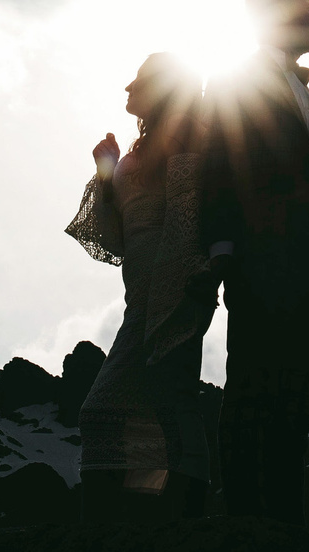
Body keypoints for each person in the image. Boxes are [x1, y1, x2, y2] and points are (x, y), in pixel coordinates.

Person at [200, 0, 309, 524]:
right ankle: (245, 522)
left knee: (296, 399)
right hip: (264, 262)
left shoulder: (300, 89)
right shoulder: (236, 82)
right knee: (252, 390)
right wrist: (225, 252)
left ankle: (285, 523)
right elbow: (218, 166)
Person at [64, 52, 221, 525]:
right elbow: (110, 237)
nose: (128, 92)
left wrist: (180, 287)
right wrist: (106, 168)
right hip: (143, 290)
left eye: (141, 84)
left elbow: (188, 213)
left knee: (111, 408)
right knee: (165, 399)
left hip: (173, 283)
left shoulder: (187, 136)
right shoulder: (140, 150)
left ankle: (173, 505)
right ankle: (164, 507)